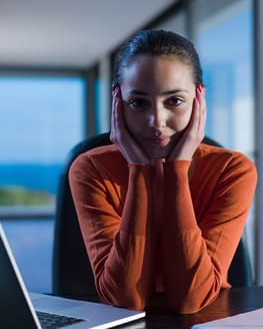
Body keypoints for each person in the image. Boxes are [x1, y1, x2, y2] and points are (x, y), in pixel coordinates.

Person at [69, 29, 257, 313]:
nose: (156, 121)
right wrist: (140, 170)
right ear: (118, 102)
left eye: (174, 101)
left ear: (198, 99)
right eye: (138, 102)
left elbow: (190, 299)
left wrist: (176, 171)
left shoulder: (232, 170)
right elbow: (125, 299)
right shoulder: (91, 169)